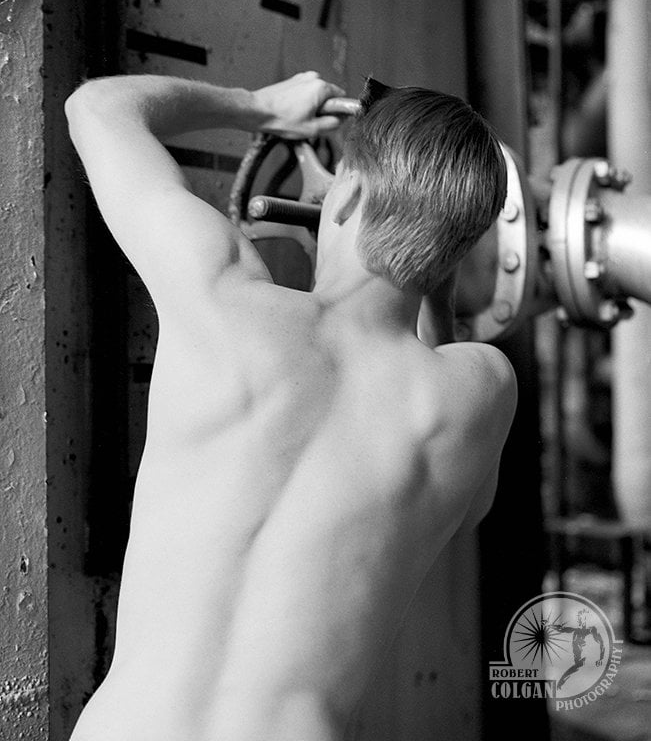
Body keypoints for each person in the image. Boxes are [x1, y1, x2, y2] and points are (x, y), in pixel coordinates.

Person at [65, 70, 517, 741]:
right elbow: (466, 511)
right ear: (454, 249)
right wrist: (432, 283)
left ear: (345, 199)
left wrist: (257, 104)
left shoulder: (219, 296)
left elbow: (97, 107)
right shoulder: (475, 390)